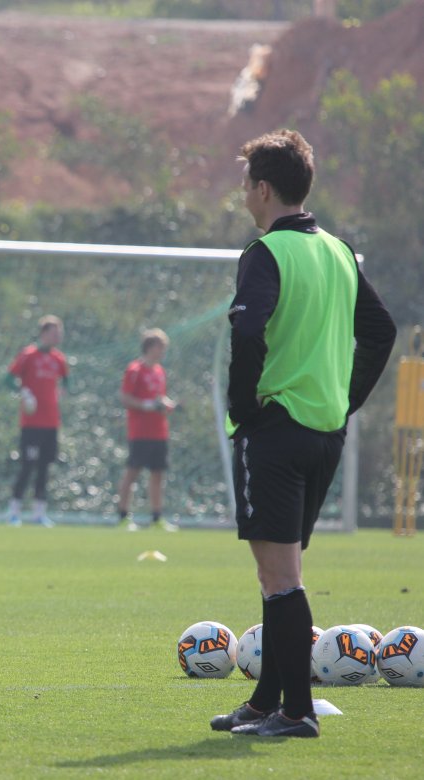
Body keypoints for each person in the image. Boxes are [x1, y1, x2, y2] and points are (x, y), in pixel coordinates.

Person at [210, 129, 395, 738]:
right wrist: (346, 401)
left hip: (276, 431)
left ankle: (297, 712)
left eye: (246, 184)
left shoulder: (267, 252)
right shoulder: (338, 251)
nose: (243, 195)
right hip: (323, 434)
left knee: (281, 578)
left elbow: (247, 331)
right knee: (278, 573)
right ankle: (266, 701)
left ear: (263, 188)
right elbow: (382, 331)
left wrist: (245, 408)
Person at [5, 315, 68, 527]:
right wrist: (24, 392)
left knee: (44, 467)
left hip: (51, 423)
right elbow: (8, 379)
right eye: (54, 332)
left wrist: (62, 392)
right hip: (31, 423)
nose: (58, 336)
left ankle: (39, 513)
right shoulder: (28, 355)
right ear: (43, 333)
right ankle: (14, 511)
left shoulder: (59, 359)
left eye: (59, 333)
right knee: (27, 465)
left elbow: (67, 381)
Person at [115, 328, 178, 531]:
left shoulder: (159, 371)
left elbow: (160, 397)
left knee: (158, 474)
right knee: (132, 472)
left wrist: (166, 404)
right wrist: (146, 405)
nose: (163, 352)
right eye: (160, 347)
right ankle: (123, 516)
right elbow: (125, 397)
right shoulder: (135, 370)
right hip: (140, 431)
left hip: (159, 430)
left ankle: (157, 518)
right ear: (150, 347)